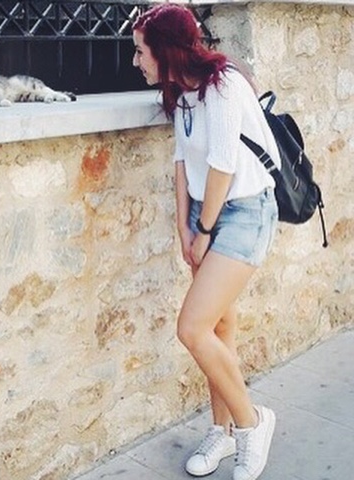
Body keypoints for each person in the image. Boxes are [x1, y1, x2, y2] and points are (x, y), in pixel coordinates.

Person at [132, 4, 280, 480]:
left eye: (140, 51)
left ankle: (252, 422)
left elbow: (222, 164)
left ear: (165, 50)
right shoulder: (181, 93)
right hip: (205, 213)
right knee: (218, 328)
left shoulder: (223, 86)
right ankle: (223, 431)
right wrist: (185, 227)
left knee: (192, 328)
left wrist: (206, 231)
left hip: (243, 212)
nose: (135, 61)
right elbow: (182, 162)